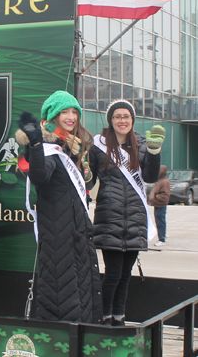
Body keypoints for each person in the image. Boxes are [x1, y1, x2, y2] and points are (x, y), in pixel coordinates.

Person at [16, 90, 102, 324]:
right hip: (58, 234)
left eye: (74, 111)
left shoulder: (75, 145)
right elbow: (40, 176)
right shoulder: (47, 145)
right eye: (65, 111)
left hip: (78, 231)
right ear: (53, 115)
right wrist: (34, 143)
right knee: (61, 295)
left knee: (81, 291)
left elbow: (88, 182)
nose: (71, 116)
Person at [89, 99, 163, 326]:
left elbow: (150, 177)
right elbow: (89, 180)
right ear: (111, 120)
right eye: (117, 116)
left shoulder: (141, 144)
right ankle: (104, 318)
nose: (122, 120)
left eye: (126, 116)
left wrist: (154, 151)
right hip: (109, 216)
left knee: (125, 275)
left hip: (135, 218)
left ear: (132, 120)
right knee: (112, 274)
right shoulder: (98, 145)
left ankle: (119, 318)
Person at [149, 165, 170, 247]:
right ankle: (163, 234)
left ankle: (162, 239)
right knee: (160, 220)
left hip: (160, 205)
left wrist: (156, 196)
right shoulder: (160, 180)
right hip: (157, 204)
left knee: (160, 221)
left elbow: (165, 195)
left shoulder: (164, 182)